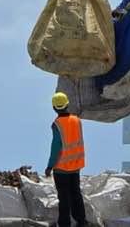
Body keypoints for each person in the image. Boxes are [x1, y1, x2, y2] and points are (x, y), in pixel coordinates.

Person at [44, 92, 88, 227]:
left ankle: (64, 223)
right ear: (67, 104)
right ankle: (81, 221)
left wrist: (50, 166)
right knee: (76, 194)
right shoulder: (77, 120)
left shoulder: (57, 124)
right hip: (75, 166)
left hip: (62, 167)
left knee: (64, 197)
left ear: (54, 108)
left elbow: (56, 146)